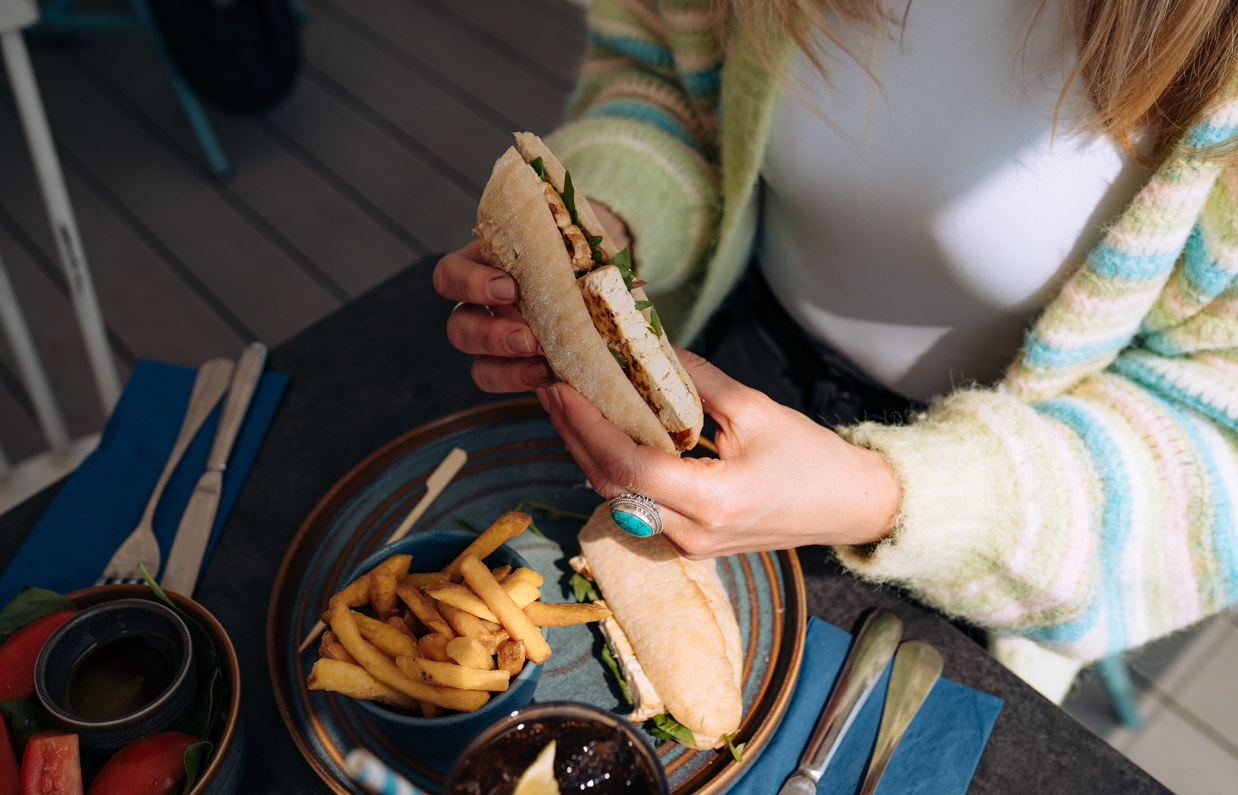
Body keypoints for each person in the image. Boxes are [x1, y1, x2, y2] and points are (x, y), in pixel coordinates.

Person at [433, 0, 1238, 699]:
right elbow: (665, 76)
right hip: (716, 361)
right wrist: (603, 226)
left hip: (984, 520)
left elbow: (1218, 468)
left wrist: (881, 494)